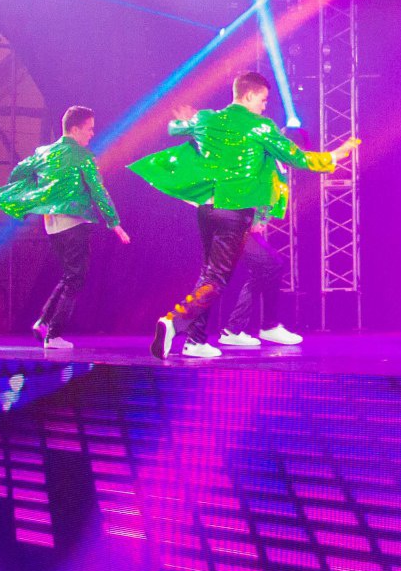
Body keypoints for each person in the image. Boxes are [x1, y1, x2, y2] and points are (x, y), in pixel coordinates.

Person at [130, 72, 355, 360]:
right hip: (234, 210)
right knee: (217, 279)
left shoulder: (206, 118)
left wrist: (188, 120)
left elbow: (175, 128)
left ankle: (195, 341)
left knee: (209, 275)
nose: (264, 106)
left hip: (207, 209)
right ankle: (173, 322)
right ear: (249, 95)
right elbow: (298, 157)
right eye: (263, 100)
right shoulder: (260, 126)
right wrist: (335, 155)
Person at [0, 105, 130, 351]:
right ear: (74, 129)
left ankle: (44, 322)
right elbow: (98, 190)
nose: (92, 134)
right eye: (89, 129)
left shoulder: (44, 152)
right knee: (76, 279)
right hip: (74, 221)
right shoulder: (82, 156)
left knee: (70, 276)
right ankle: (53, 334)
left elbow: (19, 171)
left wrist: (38, 195)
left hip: (52, 225)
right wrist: (114, 222)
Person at [218, 164, 304, 350]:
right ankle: (261, 327)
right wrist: (257, 218)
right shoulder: (263, 158)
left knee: (268, 268)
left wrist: (261, 218)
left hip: (240, 222)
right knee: (270, 266)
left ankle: (240, 328)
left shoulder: (274, 162)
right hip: (235, 222)